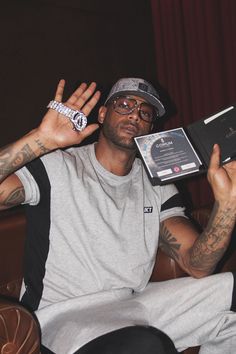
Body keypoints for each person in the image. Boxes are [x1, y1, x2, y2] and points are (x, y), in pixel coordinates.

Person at [0, 77, 235, 354]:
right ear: (103, 113)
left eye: (145, 112)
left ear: (150, 127)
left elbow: (197, 265)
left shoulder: (157, 185)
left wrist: (228, 205)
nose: (135, 114)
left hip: (135, 302)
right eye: (124, 104)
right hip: (65, 317)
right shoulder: (57, 166)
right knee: (144, 345)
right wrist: (40, 140)